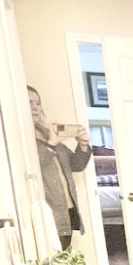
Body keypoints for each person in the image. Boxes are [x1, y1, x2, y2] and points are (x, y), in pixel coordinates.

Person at [29, 86, 92, 250]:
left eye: (37, 102)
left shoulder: (46, 133)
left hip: (67, 209)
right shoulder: (24, 140)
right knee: (54, 263)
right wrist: (51, 143)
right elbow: (31, 169)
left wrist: (83, 145)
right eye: (29, 102)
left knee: (64, 258)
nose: (35, 107)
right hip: (48, 214)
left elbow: (76, 165)